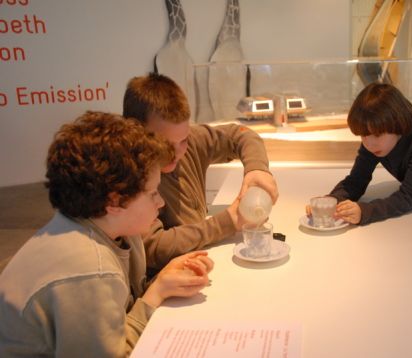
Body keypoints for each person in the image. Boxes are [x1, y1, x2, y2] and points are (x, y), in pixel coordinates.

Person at [0, 112, 213, 357]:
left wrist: (161, 283)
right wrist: (155, 296)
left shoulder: (101, 227)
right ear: (115, 201)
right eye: (153, 193)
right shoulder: (89, 268)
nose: (161, 202)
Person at [123, 73, 278, 270]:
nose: (178, 152)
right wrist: (227, 222)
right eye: (166, 145)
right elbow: (153, 248)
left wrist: (257, 169)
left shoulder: (191, 140)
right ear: (135, 132)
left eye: (184, 139)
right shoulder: (130, 176)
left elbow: (241, 134)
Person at [319, 82, 412, 225]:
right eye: (363, 136)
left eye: (376, 135)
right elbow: (356, 180)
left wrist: (365, 211)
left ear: (397, 122)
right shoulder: (374, 141)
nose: (369, 143)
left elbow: (409, 196)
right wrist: (332, 200)